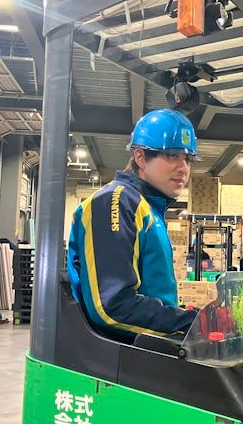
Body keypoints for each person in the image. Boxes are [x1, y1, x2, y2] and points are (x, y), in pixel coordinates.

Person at [67, 109, 199, 342]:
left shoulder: (147, 207)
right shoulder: (116, 201)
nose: (183, 168)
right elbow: (113, 306)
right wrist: (188, 323)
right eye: (172, 155)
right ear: (140, 157)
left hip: (145, 346)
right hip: (121, 352)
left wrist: (185, 316)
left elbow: (151, 292)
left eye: (187, 159)